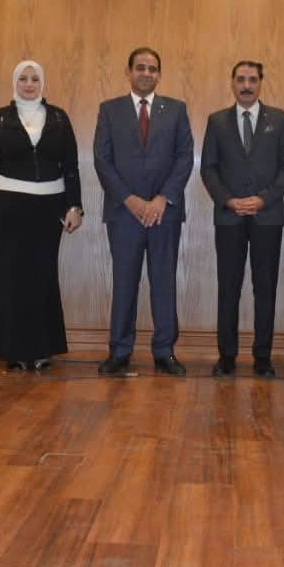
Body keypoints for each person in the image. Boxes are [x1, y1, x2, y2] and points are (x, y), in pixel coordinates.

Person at [0, 61, 82, 371]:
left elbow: (71, 166)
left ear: (42, 83)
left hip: (49, 209)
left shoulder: (59, 117)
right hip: (6, 207)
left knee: (43, 275)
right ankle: (11, 350)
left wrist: (74, 207)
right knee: (9, 277)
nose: (29, 84)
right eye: (23, 79)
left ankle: (42, 349)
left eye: (34, 79)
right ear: (15, 82)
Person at [94, 47, 194, 376]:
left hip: (165, 213)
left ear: (159, 75)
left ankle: (164, 352)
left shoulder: (176, 109)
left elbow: (184, 157)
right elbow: (102, 160)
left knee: (164, 282)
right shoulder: (109, 110)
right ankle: (119, 351)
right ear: (129, 72)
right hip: (124, 213)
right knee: (124, 282)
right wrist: (130, 200)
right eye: (140, 67)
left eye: (152, 69)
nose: (146, 73)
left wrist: (162, 199)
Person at [200, 60, 284, 377]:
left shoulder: (280, 120)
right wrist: (229, 200)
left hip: (267, 216)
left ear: (260, 83)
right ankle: (226, 357)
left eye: (252, 80)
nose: (246, 85)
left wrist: (264, 198)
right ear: (232, 83)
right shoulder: (217, 121)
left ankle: (263, 357)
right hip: (229, 217)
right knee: (228, 288)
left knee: (265, 288)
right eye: (240, 79)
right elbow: (209, 169)